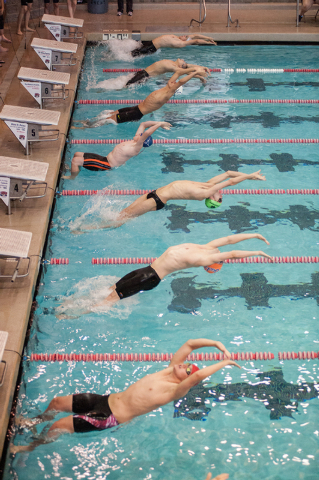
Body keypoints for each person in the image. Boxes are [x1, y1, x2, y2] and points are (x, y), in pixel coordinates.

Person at [11, 338, 240, 453]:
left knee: (59, 426)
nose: (186, 365)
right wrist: (216, 344)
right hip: (105, 399)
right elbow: (190, 344)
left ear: (186, 378)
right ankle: (34, 422)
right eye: (187, 364)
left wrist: (224, 362)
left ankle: (30, 447)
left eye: (188, 369)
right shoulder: (168, 371)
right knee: (58, 402)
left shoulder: (175, 390)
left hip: (110, 416)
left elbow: (196, 378)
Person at [90, 233, 273, 308]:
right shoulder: (206, 247)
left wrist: (257, 252)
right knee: (110, 289)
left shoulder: (205, 258)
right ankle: (83, 302)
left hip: (150, 278)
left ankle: (79, 311)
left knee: (109, 301)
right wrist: (254, 235)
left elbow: (232, 252)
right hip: (145, 270)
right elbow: (229, 240)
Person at [78, 170, 266, 230]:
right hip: (154, 194)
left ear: (211, 199)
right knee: (123, 215)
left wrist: (249, 178)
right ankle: (92, 224)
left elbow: (231, 182)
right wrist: (251, 174)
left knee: (120, 220)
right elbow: (228, 174)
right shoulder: (206, 185)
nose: (221, 195)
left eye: (220, 199)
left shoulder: (203, 193)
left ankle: (87, 229)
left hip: (157, 200)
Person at [72, 67, 208, 128]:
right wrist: (195, 73)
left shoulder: (169, 92)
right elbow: (178, 73)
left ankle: (84, 128)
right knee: (109, 113)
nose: (173, 81)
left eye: (175, 82)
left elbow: (182, 80)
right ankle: (85, 122)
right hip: (134, 107)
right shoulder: (168, 86)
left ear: (176, 87)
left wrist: (194, 73)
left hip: (136, 114)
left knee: (109, 120)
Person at [64, 121, 171, 179]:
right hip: (104, 158)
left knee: (75, 161)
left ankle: (72, 177)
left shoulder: (136, 147)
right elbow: (143, 124)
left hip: (107, 165)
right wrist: (160, 122)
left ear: (142, 141)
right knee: (77, 154)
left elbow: (147, 133)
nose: (139, 134)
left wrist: (159, 125)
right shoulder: (134, 141)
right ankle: (74, 170)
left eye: (141, 136)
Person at [125, 58, 210, 87]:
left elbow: (186, 71)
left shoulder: (174, 67)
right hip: (142, 74)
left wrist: (200, 76)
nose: (183, 60)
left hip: (143, 76)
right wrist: (204, 67)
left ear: (180, 66)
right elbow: (189, 66)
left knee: (125, 87)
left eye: (183, 62)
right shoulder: (172, 63)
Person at [131, 34, 217, 57]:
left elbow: (196, 40)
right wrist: (208, 37)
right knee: (132, 52)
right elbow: (195, 36)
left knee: (132, 55)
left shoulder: (180, 43)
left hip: (151, 47)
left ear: (186, 41)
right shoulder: (178, 38)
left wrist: (208, 43)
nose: (184, 35)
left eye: (185, 37)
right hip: (150, 43)